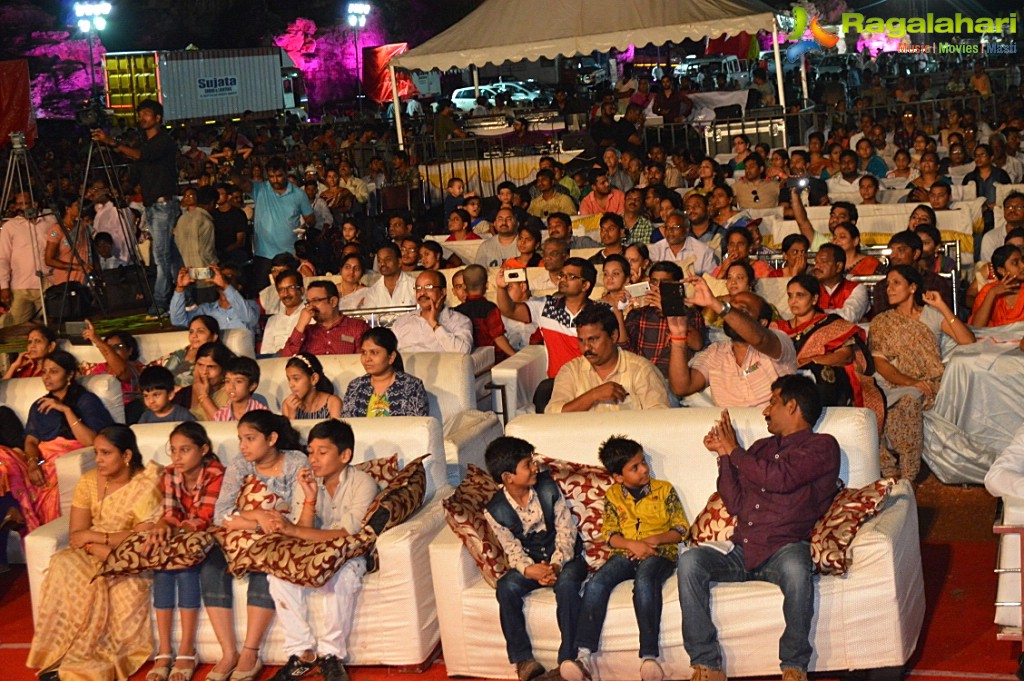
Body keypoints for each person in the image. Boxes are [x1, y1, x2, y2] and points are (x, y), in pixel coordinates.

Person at [678, 376, 841, 681]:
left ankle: (794, 666)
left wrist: (735, 450)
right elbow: (735, 502)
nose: (765, 411)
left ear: (792, 406)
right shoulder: (761, 448)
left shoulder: (822, 446)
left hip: (784, 547)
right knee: (690, 561)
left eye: (773, 402)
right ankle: (706, 665)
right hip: (742, 549)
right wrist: (725, 456)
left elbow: (779, 479)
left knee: (796, 568)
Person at [28, 425, 162, 681]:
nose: (98, 460)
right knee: (63, 563)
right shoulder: (89, 480)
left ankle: (88, 666)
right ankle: (63, 656)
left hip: (128, 557)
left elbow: (143, 537)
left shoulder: (146, 484)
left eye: (105, 453)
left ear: (126, 456)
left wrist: (99, 539)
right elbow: (77, 532)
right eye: (96, 453)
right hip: (91, 552)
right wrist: (93, 545)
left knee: (125, 585)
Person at [561, 436, 687, 681]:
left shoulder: (664, 490)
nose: (644, 469)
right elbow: (609, 534)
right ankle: (583, 656)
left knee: (645, 581)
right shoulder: (613, 496)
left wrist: (653, 541)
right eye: (635, 467)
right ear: (618, 477)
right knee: (597, 583)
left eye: (643, 463)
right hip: (624, 553)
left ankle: (649, 657)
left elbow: (682, 529)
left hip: (659, 553)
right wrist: (632, 544)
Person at [264, 418, 377, 681]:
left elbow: (347, 534)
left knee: (344, 577)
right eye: (311, 452)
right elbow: (302, 531)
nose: (313, 459)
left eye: (322, 452)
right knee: (277, 577)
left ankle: (331, 656)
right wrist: (310, 498)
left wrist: (292, 531)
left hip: (347, 553)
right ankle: (301, 654)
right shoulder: (305, 480)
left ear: (345, 455)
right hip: (311, 553)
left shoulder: (363, 483)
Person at [204, 412, 308, 681]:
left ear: (272, 438)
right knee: (211, 564)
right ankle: (228, 653)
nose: (243, 446)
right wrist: (257, 518)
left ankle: (250, 652)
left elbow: (296, 513)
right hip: (241, 533)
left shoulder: (295, 461)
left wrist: (258, 519)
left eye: (250, 439)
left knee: (266, 563)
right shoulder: (240, 465)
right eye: (240, 439)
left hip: (278, 535)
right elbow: (221, 514)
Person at [483, 436, 586, 681]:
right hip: (531, 562)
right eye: (527, 465)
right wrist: (530, 571)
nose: (534, 468)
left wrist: (556, 565)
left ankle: (567, 660)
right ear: (508, 477)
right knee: (506, 587)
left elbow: (566, 530)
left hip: (565, 558)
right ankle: (523, 660)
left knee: (568, 585)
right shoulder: (495, 510)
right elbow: (512, 549)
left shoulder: (548, 488)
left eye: (532, 461)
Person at [869, 265, 975, 480]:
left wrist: (942, 305)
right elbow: (881, 364)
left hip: (930, 381)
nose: (889, 289)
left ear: (912, 287)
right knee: (871, 403)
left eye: (896, 283)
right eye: (888, 284)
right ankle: (888, 471)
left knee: (908, 401)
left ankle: (908, 476)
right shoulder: (882, 321)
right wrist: (909, 381)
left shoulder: (932, 316)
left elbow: (968, 341)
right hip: (891, 381)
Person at [140, 422, 225, 681]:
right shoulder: (170, 473)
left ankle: (187, 649)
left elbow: (204, 517)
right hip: (182, 535)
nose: (177, 457)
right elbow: (171, 512)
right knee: (163, 570)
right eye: (173, 450)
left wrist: (174, 530)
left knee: (185, 569)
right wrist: (163, 525)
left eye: (185, 450)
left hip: (209, 536)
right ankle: (165, 650)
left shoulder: (216, 473)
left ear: (203, 450)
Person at [92, 100, 182, 314]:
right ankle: (183, 295)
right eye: (140, 114)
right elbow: (136, 172)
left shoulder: (164, 141)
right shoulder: (145, 145)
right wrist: (119, 191)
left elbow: (143, 157)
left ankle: (160, 302)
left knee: (160, 257)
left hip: (163, 204)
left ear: (158, 118)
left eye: (147, 114)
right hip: (152, 206)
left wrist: (111, 142)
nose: (142, 117)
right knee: (171, 255)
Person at [496, 258, 606, 412]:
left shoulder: (602, 312)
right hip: (558, 382)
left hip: (592, 379)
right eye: (562, 275)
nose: (563, 280)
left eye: (570, 276)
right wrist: (501, 288)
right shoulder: (545, 306)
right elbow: (510, 310)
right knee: (543, 394)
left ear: (585, 285)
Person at [667, 278, 797, 408]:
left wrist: (715, 303)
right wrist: (678, 335)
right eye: (731, 308)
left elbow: (760, 339)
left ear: (762, 323)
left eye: (742, 311)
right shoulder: (715, 353)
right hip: (731, 426)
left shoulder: (779, 341)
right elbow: (682, 387)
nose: (730, 315)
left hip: (773, 425)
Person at [776, 275, 884, 429]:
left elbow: (845, 356)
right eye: (790, 295)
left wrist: (811, 362)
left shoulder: (832, 324)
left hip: (824, 383)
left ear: (814, 299)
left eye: (800, 295)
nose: (793, 301)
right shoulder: (779, 328)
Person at [546, 304, 670, 413]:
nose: (586, 347)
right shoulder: (571, 371)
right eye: (581, 340)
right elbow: (553, 414)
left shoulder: (640, 369)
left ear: (614, 336)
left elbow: (659, 417)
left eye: (593, 339)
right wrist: (592, 396)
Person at [341, 328, 429, 418]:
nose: (367, 359)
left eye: (374, 352)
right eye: (364, 352)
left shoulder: (412, 386)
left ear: (391, 357)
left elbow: (416, 427)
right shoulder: (355, 387)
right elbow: (347, 425)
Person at [281, 279, 370, 357]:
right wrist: (300, 325)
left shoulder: (357, 328)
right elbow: (285, 359)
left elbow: (365, 361)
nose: (310, 307)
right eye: (308, 302)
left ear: (333, 301)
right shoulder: (307, 332)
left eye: (315, 301)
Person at [391, 270, 473, 354]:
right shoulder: (401, 322)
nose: (422, 293)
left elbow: (463, 352)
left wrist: (435, 324)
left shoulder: (459, 321)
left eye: (428, 287)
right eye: (418, 288)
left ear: (442, 292)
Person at [79, 322, 146, 424]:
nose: (112, 351)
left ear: (130, 350)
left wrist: (97, 341)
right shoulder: (97, 368)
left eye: (118, 346)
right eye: (109, 347)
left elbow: (121, 372)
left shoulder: (134, 367)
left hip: (125, 413)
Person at [170, 265, 259, 337]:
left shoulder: (250, 305)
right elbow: (178, 321)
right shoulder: (206, 310)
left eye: (229, 276)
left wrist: (225, 285)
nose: (223, 279)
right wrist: (180, 288)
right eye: (221, 276)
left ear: (239, 286)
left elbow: (249, 319)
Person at [456, 265, 516, 362]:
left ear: (464, 287)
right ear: (487, 285)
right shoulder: (490, 308)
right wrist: (515, 355)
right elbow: (498, 337)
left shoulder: (457, 311)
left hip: (467, 359)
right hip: (492, 358)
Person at [151, 315, 220, 388]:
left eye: (200, 331)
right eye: (191, 332)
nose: (194, 335)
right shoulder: (180, 354)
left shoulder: (217, 359)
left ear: (214, 337)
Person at [172, 342, 236, 421]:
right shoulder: (183, 395)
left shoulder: (232, 394)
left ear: (224, 370)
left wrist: (203, 396)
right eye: (200, 365)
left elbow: (223, 427)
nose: (204, 372)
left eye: (211, 367)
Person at [811, 243, 869, 323]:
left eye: (823, 262)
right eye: (816, 262)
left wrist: (815, 315)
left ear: (838, 266)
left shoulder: (857, 288)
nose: (817, 266)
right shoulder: (810, 288)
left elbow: (849, 317)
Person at [648, 210, 717, 275]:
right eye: (667, 227)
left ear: (686, 230)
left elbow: (712, 280)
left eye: (675, 227)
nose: (670, 231)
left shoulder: (703, 251)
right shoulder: (655, 250)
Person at [970, 245, 1024, 327]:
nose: (1023, 266)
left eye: (1023, 261)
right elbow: (977, 326)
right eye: (1015, 263)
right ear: (1002, 271)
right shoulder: (989, 290)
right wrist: (992, 293)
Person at [281, 352, 343, 420]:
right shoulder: (287, 405)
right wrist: (291, 415)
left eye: (296, 379)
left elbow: (337, 430)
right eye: (289, 379)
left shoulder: (332, 402)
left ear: (314, 378)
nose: (291, 385)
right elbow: (287, 430)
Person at [260, 270, 305, 355]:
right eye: (281, 289)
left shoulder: (311, 316)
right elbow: (266, 353)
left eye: (290, 288)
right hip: (276, 364)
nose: (285, 294)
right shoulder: (272, 321)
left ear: (302, 290)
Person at [213, 357, 268, 422]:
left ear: (252, 386)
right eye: (227, 381)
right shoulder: (220, 415)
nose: (231, 387)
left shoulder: (262, 414)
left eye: (238, 381)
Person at [363, 243, 416, 308]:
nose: (382, 264)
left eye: (387, 259)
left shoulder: (413, 285)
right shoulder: (373, 291)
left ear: (399, 262)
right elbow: (369, 317)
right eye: (379, 260)